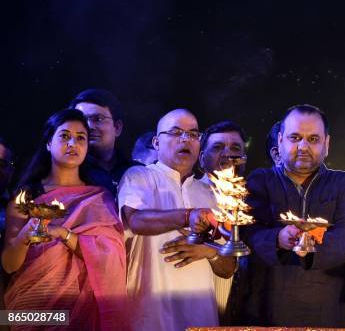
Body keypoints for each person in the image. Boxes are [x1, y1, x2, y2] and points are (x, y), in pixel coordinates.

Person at [2, 109, 128, 330]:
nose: (73, 143)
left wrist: (65, 234)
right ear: (49, 143)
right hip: (31, 309)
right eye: (64, 136)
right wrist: (28, 232)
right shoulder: (26, 199)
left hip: (83, 310)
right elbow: (9, 265)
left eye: (81, 138)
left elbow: (110, 258)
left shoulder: (100, 198)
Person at [243, 104, 345, 327]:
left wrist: (310, 243)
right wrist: (278, 238)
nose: (303, 146)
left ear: (326, 144)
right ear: (280, 141)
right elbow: (247, 232)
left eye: (313, 139)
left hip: (332, 308)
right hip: (267, 309)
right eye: (295, 137)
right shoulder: (259, 181)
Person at [118, 109, 236, 331]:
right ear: (156, 142)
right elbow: (136, 221)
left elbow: (228, 268)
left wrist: (209, 252)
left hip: (200, 315)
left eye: (193, 134)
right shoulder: (140, 176)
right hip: (148, 314)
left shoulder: (210, 193)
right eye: (175, 132)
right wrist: (187, 216)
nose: (186, 139)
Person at [197, 120, 248, 325]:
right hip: (201, 309)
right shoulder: (188, 198)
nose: (228, 154)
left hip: (247, 311)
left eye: (235, 148)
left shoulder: (257, 201)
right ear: (201, 158)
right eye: (218, 147)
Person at [69, 88, 136, 196]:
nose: (89, 126)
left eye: (98, 119)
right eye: (82, 120)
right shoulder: (65, 174)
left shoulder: (138, 172)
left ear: (117, 128)